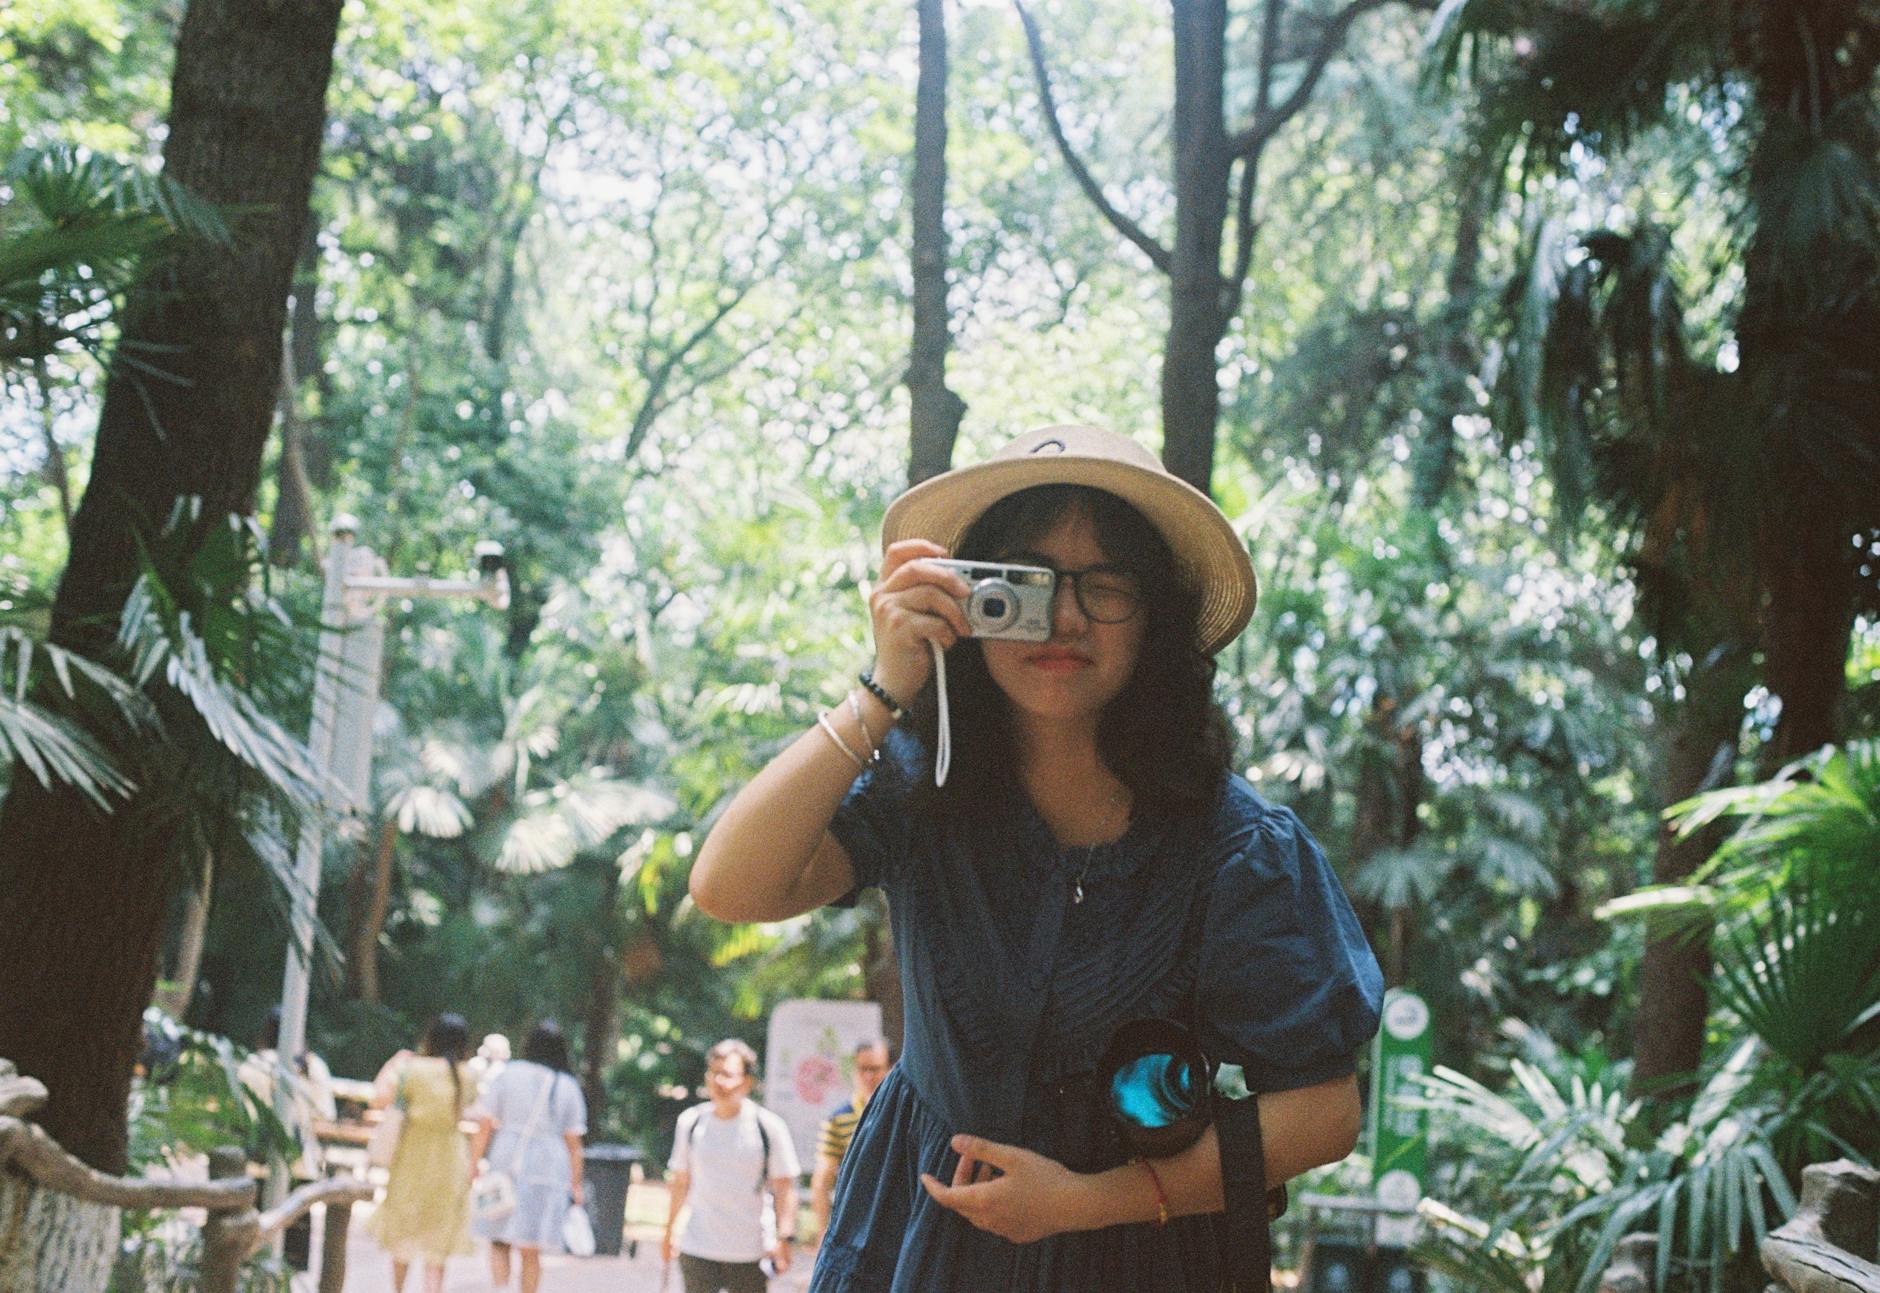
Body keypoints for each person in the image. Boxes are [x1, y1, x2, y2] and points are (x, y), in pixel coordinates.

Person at [691, 425, 1385, 1291]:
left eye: (1105, 585)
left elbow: (1325, 1111)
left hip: (1144, 1255)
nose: (1063, 617)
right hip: (918, 1244)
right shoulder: (920, 787)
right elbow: (728, 886)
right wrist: (882, 689)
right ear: (969, 598)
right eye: (1025, 583)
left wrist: (1087, 1200)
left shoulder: (1239, 846)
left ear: (1156, 618)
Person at [663, 1039, 802, 1293]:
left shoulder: (768, 1127)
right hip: (697, 1247)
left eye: (727, 1074)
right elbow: (681, 1182)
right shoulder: (691, 1123)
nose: (719, 1082)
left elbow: (785, 1188)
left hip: (750, 1251)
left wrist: (785, 1238)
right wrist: (669, 1232)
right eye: (714, 1073)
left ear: (747, 1082)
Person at [470, 1020, 589, 1293]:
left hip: (506, 1160)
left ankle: (500, 1289)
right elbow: (574, 1143)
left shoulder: (508, 1073)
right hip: (547, 1169)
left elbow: (485, 1124)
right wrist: (576, 1183)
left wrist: (474, 1162)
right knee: (531, 1246)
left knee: (498, 1236)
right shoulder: (567, 1085)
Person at [365, 1012, 476, 1293]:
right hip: (450, 1157)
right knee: (439, 1236)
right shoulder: (469, 1076)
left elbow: (379, 1098)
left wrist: (397, 1061)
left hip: (412, 1155)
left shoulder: (412, 1070)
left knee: (404, 1227)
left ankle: (398, 1290)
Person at [808, 1039, 892, 1245]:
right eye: (863, 1069)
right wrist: (823, 1231)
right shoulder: (839, 1118)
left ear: (890, 1069)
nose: (869, 1076)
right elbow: (822, 1180)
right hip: (854, 1225)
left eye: (876, 1069)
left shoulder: (906, 1114)